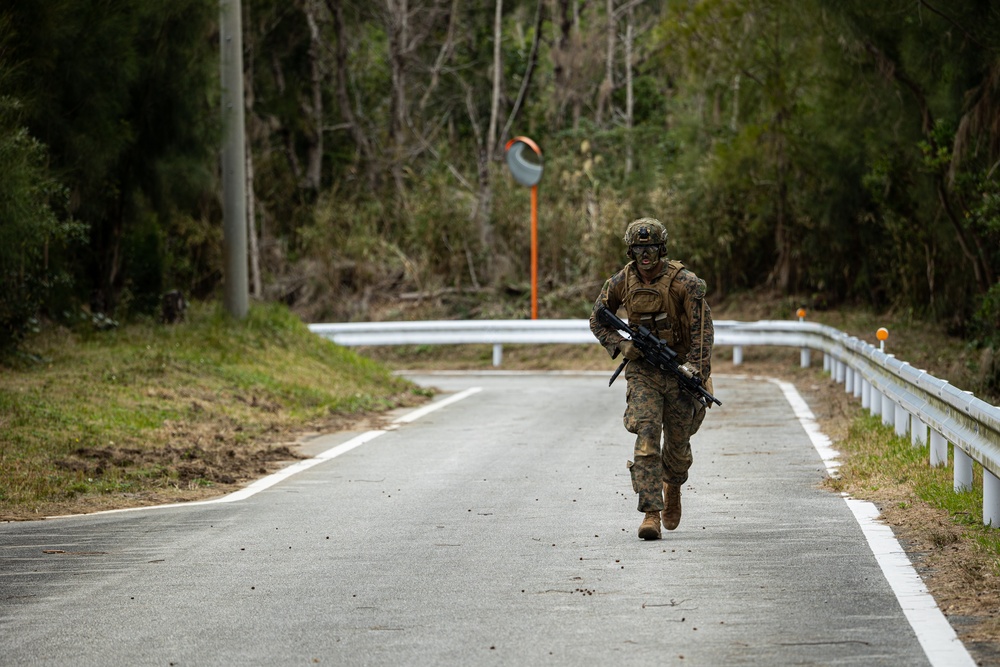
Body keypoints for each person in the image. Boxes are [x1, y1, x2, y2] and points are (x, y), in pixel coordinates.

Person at [589, 217, 715, 540]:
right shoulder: (621, 282)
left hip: (679, 372)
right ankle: (650, 513)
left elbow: (703, 331)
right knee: (646, 437)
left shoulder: (684, 282)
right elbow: (597, 319)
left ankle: (672, 483)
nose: (645, 256)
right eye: (639, 249)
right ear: (631, 251)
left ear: (662, 249)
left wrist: (696, 370)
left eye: (651, 249)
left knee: (678, 447)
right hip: (644, 371)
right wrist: (622, 344)